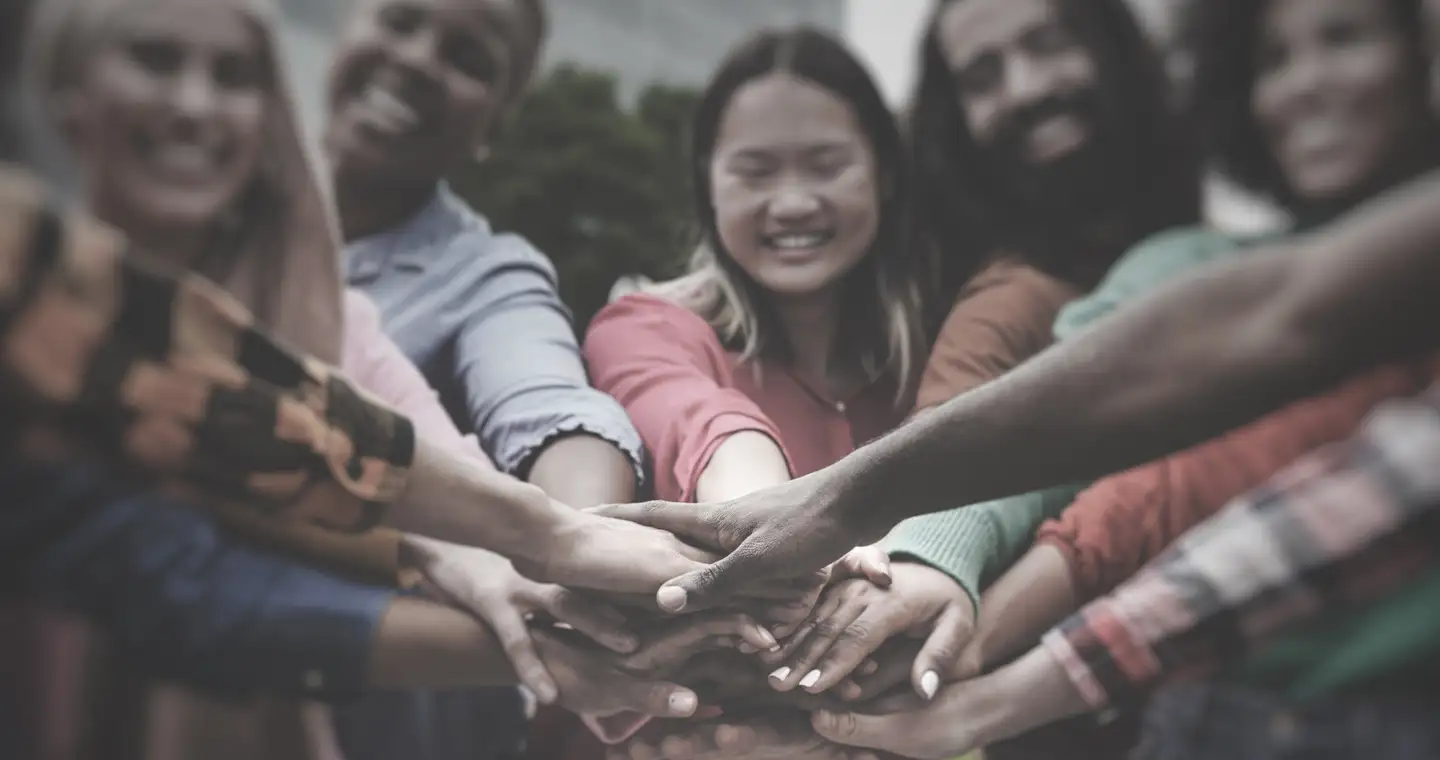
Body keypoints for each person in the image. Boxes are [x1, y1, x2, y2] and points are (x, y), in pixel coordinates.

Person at [578, 26, 928, 760]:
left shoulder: (935, 353)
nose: (793, 202)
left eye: (827, 166)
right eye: (755, 171)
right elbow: (705, 422)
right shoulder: (642, 327)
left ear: (885, 173)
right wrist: (779, 540)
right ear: (708, 182)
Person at [319, 0, 650, 756]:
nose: (418, 59)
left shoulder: (488, 274)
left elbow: (551, 406)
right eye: (401, 19)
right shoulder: (186, 197)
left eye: (468, 57)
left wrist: (577, 549)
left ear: (496, 123)